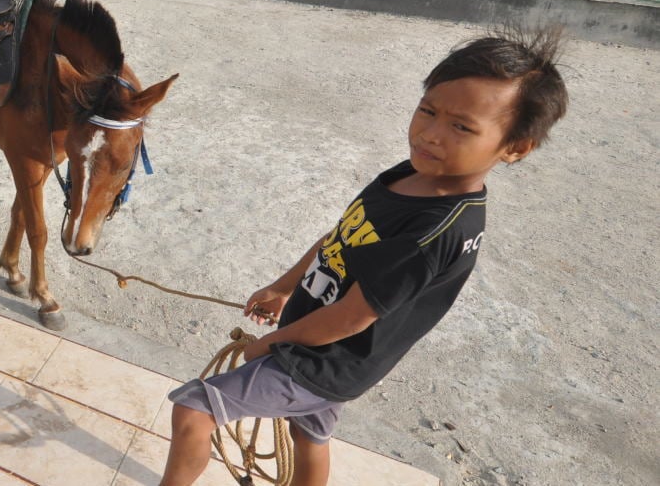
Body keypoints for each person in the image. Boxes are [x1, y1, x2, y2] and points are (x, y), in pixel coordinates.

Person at [159, 29, 569, 486]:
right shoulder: (408, 175)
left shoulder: (435, 230)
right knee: (309, 434)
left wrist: (269, 345)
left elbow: (350, 319)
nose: (430, 134)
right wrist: (283, 286)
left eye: (461, 127)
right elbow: (341, 237)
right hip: (329, 354)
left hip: (323, 359)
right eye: (428, 111)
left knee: (194, 410)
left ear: (515, 147)